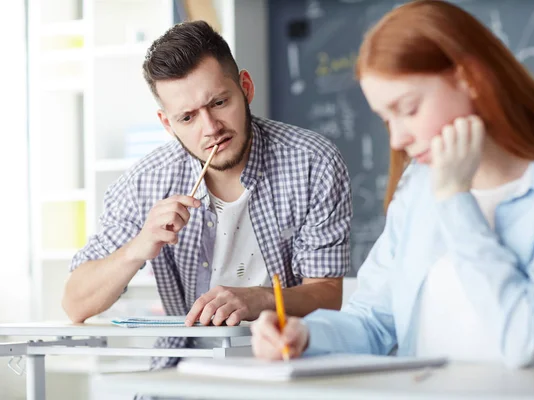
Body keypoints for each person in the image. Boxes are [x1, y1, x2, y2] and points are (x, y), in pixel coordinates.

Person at [251, 0, 534, 368]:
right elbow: (373, 321)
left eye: (409, 109)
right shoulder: (419, 184)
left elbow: (525, 337)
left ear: (469, 79)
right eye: (387, 119)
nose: (398, 138)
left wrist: (455, 199)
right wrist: (303, 334)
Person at [62, 20, 352, 369]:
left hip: (285, 363)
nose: (210, 128)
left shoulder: (313, 162)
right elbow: (75, 303)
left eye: (218, 102)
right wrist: (139, 247)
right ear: (167, 124)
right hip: (185, 368)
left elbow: (327, 295)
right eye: (187, 117)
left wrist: (257, 300)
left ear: (245, 88)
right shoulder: (144, 183)